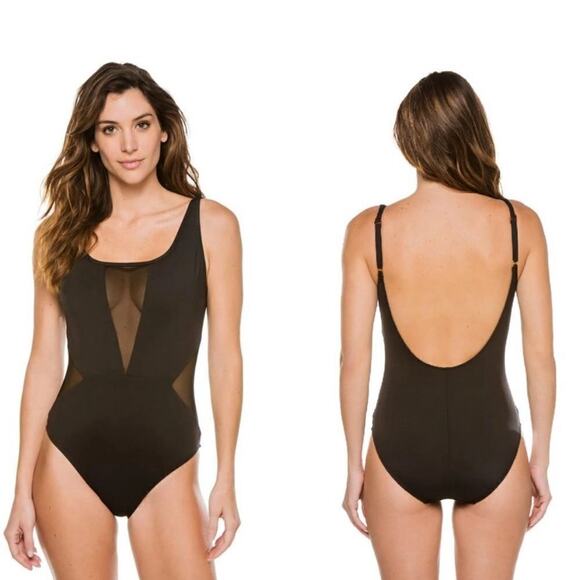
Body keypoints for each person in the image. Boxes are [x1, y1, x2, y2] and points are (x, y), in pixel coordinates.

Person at [4, 62, 243, 579]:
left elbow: (226, 354)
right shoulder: (58, 234)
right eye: (110, 129)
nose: (128, 144)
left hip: (169, 460)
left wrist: (226, 474)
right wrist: (20, 488)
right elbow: (43, 360)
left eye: (141, 124)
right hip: (69, 458)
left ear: (164, 130)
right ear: (92, 141)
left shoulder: (212, 225)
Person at [339, 71, 555, 579]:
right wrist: (540, 458)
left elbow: (354, 362)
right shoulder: (518, 224)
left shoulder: (370, 229)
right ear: (473, 132)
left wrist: (353, 465)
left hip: (399, 447)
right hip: (494, 446)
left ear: (409, 139)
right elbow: (540, 356)